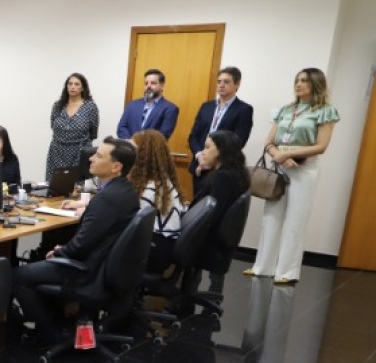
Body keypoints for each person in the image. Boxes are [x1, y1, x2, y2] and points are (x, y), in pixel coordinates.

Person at [14, 137, 139, 344]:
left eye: (98, 155)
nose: (91, 158)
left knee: (17, 276)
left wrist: (60, 251)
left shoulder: (106, 199)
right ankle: (60, 320)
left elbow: (81, 245)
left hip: (87, 271)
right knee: (42, 257)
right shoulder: (126, 191)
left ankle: (51, 334)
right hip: (103, 266)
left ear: (116, 167)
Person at [246, 68, 339, 284]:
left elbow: (321, 146)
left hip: (304, 170)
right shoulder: (286, 110)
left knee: (295, 220)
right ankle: (262, 267)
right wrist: (278, 155)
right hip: (280, 166)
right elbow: (269, 142)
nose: (298, 84)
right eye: (297, 80)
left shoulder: (325, 111)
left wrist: (288, 154)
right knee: (271, 217)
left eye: (304, 80)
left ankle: (286, 272)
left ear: (316, 83)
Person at [192, 129, 251, 293]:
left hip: (209, 243)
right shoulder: (237, 173)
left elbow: (211, 215)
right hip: (220, 243)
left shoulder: (222, 177)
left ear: (220, 151)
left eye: (207, 147)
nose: (203, 152)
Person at [187, 66, 254, 195]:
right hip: (199, 167)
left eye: (226, 82)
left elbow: (239, 141)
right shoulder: (206, 106)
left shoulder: (244, 109)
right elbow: (193, 136)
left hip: (222, 169)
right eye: (219, 81)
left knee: (216, 205)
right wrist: (200, 156)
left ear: (237, 84)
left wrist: (213, 160)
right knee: (198, 205)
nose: (221, 85)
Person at [130, 129, 184, 273]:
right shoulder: (161, 182)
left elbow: (129, 223)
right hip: (161, 246)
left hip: (152, 252)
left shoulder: (150, 189)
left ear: (143, 156)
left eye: (132, 150)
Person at [46, 73, 99, 183]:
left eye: (76, 84)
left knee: (78, 188)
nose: (73, 86)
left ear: (83, 88)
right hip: (57, 152)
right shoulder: (57, 106)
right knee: (56, 186)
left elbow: (93, 133)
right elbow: (53, 126)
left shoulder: (90, 107)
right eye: (70, 84)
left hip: (80, 153)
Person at [116, 69, 179, 140]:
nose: (148, 86)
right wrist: (131, 142)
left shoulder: (170, 109)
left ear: (162, 86)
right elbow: (121, 128)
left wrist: (139, 144)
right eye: (146, 83)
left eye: (153, 83)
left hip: (151, 147)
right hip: (129, 146)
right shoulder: (132, 105)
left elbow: (163, 135)